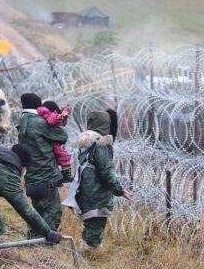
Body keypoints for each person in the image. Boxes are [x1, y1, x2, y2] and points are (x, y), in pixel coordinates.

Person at [71, 110, 132, 249]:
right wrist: (120, 190)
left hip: (84, 190)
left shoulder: (84, 143)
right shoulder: (101, 145)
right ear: (105, 125)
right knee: (95, 227)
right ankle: (90, 255)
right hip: (97, 193)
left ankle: (86, 250)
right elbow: (106, 172)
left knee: (90, 224)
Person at [17, 93, 68, 237]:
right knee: (53, 213)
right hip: (46, 176)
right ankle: (46, 245)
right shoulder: (39, 122)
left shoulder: (22, 120)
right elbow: (62, 136)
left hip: (32, 176)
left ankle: (32, 241)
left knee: (36, 211)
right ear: (39, 106)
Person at [37, 101, 73, 182]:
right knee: (63, 156)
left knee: (61, 156)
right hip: (53, 142)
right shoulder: (48, 115)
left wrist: (64, 115)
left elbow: (61, 122)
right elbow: (51, 119)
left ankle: (65, 174)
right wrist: (58, 117)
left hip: (52, 141)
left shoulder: (43, 116)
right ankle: (66, 175)